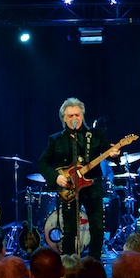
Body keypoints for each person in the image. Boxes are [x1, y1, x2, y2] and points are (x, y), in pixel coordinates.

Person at [37, 97, 118, 261]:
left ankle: (94, 262)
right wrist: (56, 177)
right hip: (68, 188)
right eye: (70, 116)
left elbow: (111, 156)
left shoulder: (95, 135)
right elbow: (42, 163)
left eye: (77, 115)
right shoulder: (56, 139)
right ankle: (67, 264)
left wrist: (116, 154)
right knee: (69, 230)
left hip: (93, 187)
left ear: (83, 116)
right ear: (63, 119)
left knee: (97, 228)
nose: (75, 119)